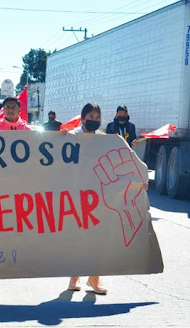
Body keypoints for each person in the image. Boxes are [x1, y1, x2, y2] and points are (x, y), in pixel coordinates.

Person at [64, 102, 107, 294]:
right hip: (75, 192)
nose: (94, 121)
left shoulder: (105, 139)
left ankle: (94, 279)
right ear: (82, 118)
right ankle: (74, 278)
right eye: (90, 117)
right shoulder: (71, 136)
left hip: (98, 194)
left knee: (97, 237)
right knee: (77, 236)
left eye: (97, 118)